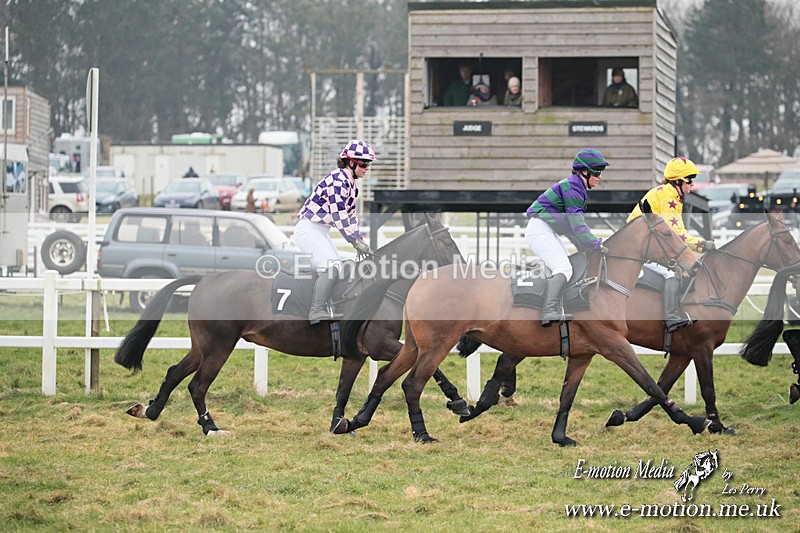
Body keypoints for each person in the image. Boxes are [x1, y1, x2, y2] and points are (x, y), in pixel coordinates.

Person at [627, 156, 715, 332]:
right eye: (689, 180)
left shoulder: (671, 194)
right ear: (678, 181)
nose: (692, 184)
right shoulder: (668, 196)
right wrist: (702, 244)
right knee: (672, 274)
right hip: (640, 247)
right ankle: (671, 318)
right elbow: (676, 235)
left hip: (648, 245)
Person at [294, 139, 376, 324]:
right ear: (351, 162)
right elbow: (339, 216)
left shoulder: (352, 185)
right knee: (332, 268)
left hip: (319, 231)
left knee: (337, 267)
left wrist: (360, 240)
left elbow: (351, 217)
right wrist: (354, 240)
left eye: (368, 164)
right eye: (364, 163)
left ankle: (327, 304)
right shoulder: (338, 180)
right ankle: (316, 311)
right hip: (308, 230)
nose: (367, 168)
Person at [526, 148, 609, 327]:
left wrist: (587, 247)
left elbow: (573, 229)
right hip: (540, 230)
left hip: (546, 230)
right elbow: (578, 226)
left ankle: (556, 306)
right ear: (584, 172)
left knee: (568, 266)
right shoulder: (573, 187)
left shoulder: (576, 186)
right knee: (564, 269)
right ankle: (548, 311)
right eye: (597, 172)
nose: (600, 177)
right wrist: (595, 244)